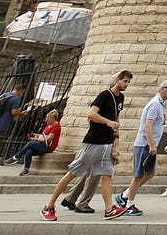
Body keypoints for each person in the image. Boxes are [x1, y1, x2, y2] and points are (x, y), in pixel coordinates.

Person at [41, 69, 132, 221]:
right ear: (118, 80)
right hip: (93, 142)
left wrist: (116, 138)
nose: (126, 84)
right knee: (72, 173)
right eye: (125, 81)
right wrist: (108, 122)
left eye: (129, 82)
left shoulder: (120, 98)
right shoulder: (104, 95)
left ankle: (109, 208)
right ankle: (49, 206)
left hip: (107, 143)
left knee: (107, 175)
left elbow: (117, 117)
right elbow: (91, 114)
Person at [117, 79, 167, 213]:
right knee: (138, 175)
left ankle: (124, 196)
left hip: (148, 145)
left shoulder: (160, 104)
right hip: (144, 144)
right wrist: (152, 145)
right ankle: (129, 205)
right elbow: (148, 126)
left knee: (150, 173)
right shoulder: (155, 104)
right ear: (162, 89)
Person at [7, 109, 62, 174]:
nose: (46, 120)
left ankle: (16, 157)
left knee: (31, 144)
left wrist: (35, 139)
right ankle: (26, 169)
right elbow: (43, 135)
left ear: (53, 118)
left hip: (48, 147)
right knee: (29, 151)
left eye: (48, 118)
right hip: (41, 144)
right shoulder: (48, 125)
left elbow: (48, 139)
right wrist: (36, 135)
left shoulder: (56, 127)